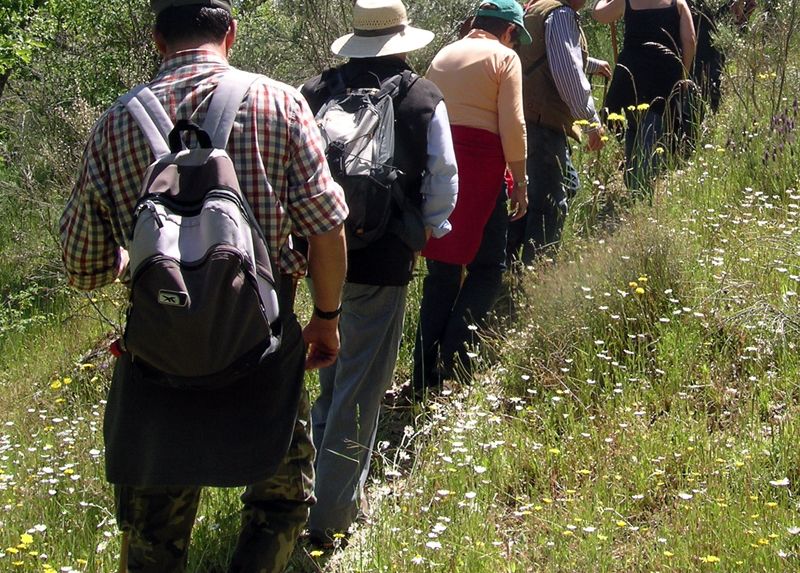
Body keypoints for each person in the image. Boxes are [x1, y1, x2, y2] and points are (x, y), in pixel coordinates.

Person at [59, 1, 349, 571]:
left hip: (158, 360)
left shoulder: (116, 123)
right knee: (282, 501)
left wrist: (134, 255)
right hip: (260, 351)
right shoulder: (279, 102)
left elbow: (83, 266)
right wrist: (327, 316)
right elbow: (326, 227)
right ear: (231, 34)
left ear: (158, 40)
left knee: (151, 532)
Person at [300, 0, 458, 546]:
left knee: (332, 373)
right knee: (360, 391)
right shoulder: (422, 97)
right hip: (385, 259)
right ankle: (329, 519)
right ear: (403, 37)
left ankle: (320, 488)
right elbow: (443, 179)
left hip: (320, 257)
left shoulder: (316, 92)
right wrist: (427, 232)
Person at [413, 0, 529, 395]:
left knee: (442, 272)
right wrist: (522, 180)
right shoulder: (504, 58)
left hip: (440, 165)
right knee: (488, 269)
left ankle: (422, 375)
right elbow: (512, 123)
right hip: (482, 167)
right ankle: (453, 360)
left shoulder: (444, 54)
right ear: (509, 31)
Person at [507, 0, 611, 264]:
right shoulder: (561, 14)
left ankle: (507, 263)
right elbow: (567, 72)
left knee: (560, 188)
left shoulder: (538, 8)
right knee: (549, 206)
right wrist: (590, 121)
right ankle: (535, 274)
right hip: (542, 126)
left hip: (527, 119)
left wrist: (594, 64)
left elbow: (548, 54)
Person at [593, 0, 696, 197]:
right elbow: (690, 40)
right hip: (664, 76)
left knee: (634, 125)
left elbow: (599, 15)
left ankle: (636, 183)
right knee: (651, 127)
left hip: (632, 77)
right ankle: (639, 184)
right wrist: (684, 74)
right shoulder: (678, 3)